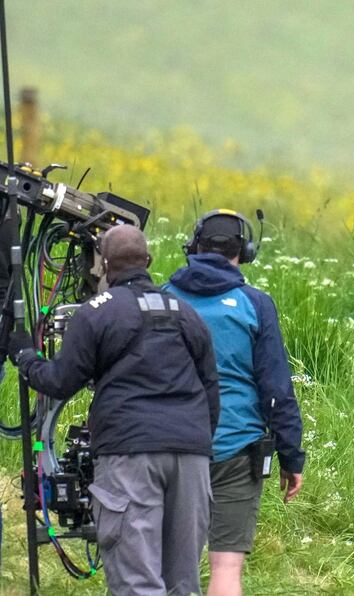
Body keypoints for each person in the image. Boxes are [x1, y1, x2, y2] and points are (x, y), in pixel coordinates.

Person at [9, 224, 220, 596]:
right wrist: (198, 440)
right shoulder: (185, 313)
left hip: (130, 453)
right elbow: (210, 390)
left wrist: (26, 357)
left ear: (103, 265)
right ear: (149, 260)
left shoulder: (96, 313)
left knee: (138, 582)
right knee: (183, 584)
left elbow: (59, 382)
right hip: (191, 455)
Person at [165, 210, 304, 596]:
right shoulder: (254, 305)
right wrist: (292, 457)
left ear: (193, 247)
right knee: (226, 566)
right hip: (236, 448)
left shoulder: (162, 298)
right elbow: (276, 389)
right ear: (244, 252)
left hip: (171, 447)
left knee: (172, 564)